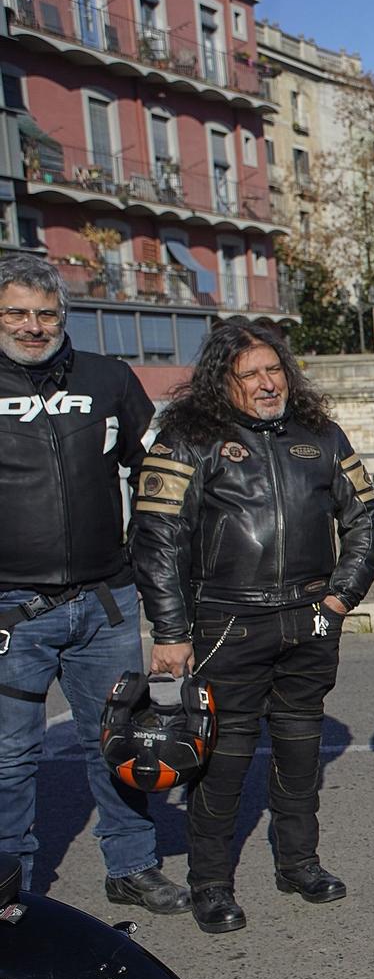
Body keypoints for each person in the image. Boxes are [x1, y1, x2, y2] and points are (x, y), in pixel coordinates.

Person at [132, 320, 374, 934]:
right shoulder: (186, 438)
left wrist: (340, 599)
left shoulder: (322, 435)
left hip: (310, 620)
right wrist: (171, 632)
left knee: (301, 757)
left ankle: (299, 863)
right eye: (250, 375)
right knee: (223, 763)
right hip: (226, 622)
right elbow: (155, 542)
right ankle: (210, 883)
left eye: (274, 370)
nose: (268, 383)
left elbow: (367, 522)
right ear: (224, 382)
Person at [0, 253, 185, 910]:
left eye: (45, 313)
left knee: (119, 742)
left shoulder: (108, 377)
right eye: (17, 312)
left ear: (63, 317)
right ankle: (11, 883)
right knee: (9, 759)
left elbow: (161, 467)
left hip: (106, 598)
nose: (32, 325)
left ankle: (131, 865)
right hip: (10, 610)